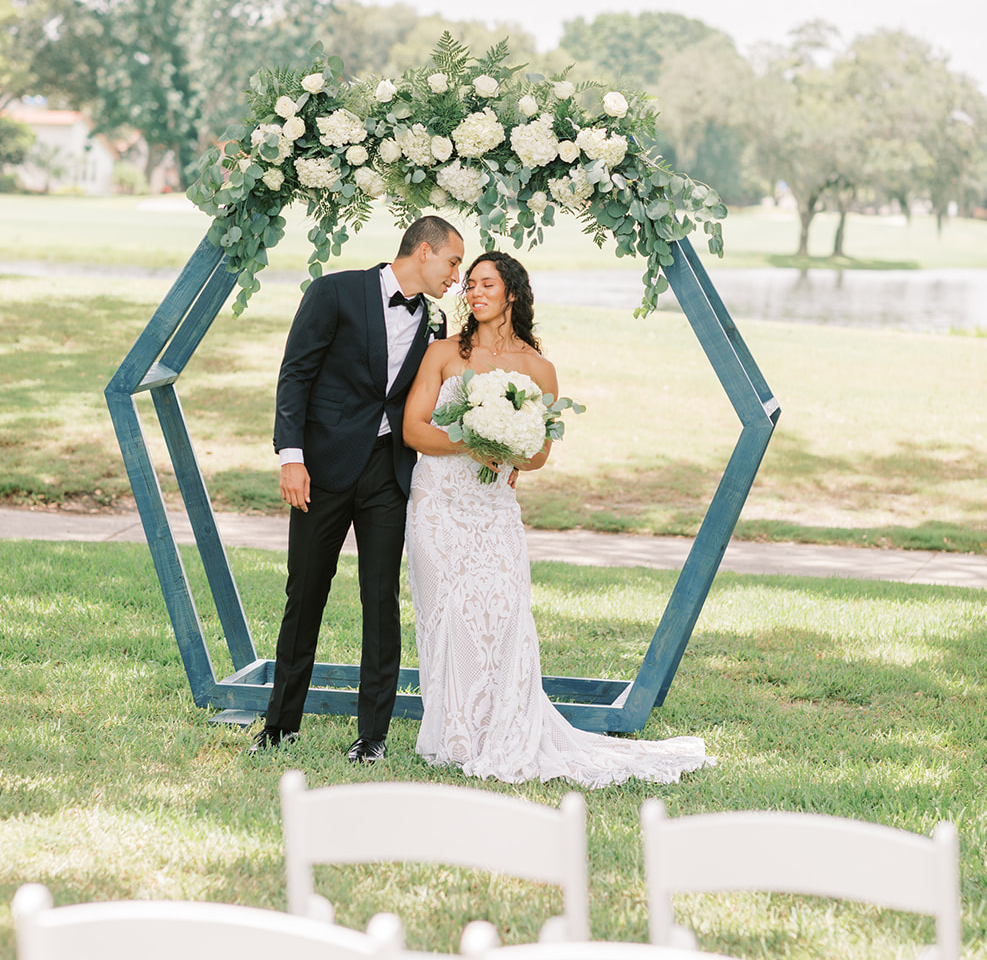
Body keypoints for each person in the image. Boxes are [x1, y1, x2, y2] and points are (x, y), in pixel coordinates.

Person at [401, 251, 711, 787]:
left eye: (486, 285)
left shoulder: (539, 369)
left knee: (501, 611)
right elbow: (413, 430)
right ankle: (453, 735)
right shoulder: (444, 353)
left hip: (492, 510)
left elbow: (537, 454)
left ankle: (502, 730)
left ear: (512, 294)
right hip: (437, 507)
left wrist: (507, 447)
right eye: (469, 284)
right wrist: (470, 440)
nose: (473, 293)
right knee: (446, 617)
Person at [251, 216, 464, 762]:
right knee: (305, 596)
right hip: (320, 469)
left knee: (381, 602)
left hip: (388, 474)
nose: (456, 276)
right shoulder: (335, 291)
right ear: (423, 251)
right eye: (453, 263)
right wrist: (291, 457)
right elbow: (295, 373)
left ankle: (372, 736)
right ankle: (280, 725)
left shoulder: (434, 321)